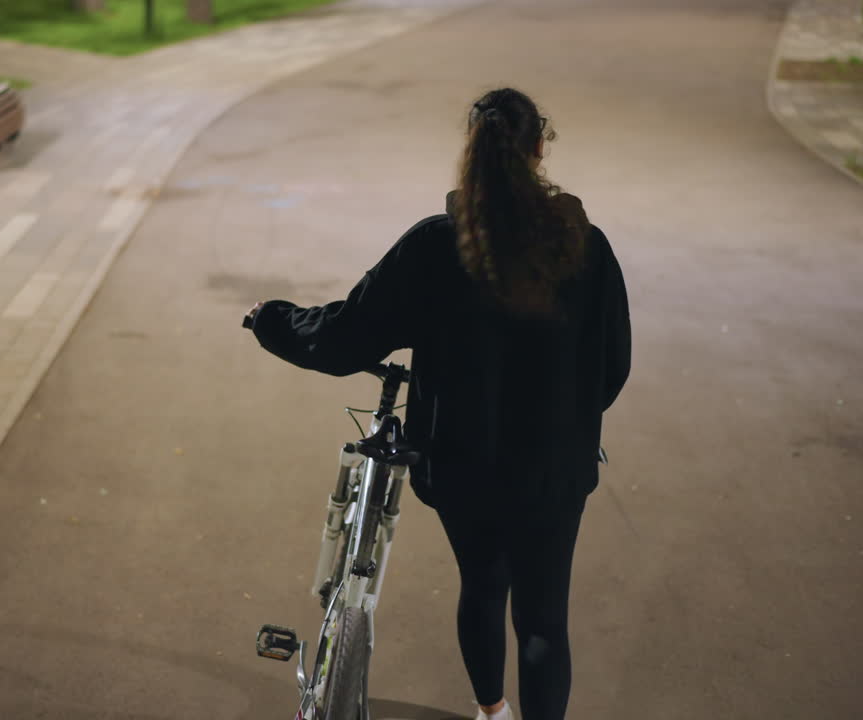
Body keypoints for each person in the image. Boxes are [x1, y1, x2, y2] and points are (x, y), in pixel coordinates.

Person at [243, 87, 631, 720]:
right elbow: (614, 364)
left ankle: (493, 712)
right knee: (542, 618)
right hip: (553, 471)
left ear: (471, 153)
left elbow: (347, 335)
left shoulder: (435, 246)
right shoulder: (586, 246)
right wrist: (571, 416)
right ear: (539, 148)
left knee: (482, 585)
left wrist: (272, 321)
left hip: (463, 468)